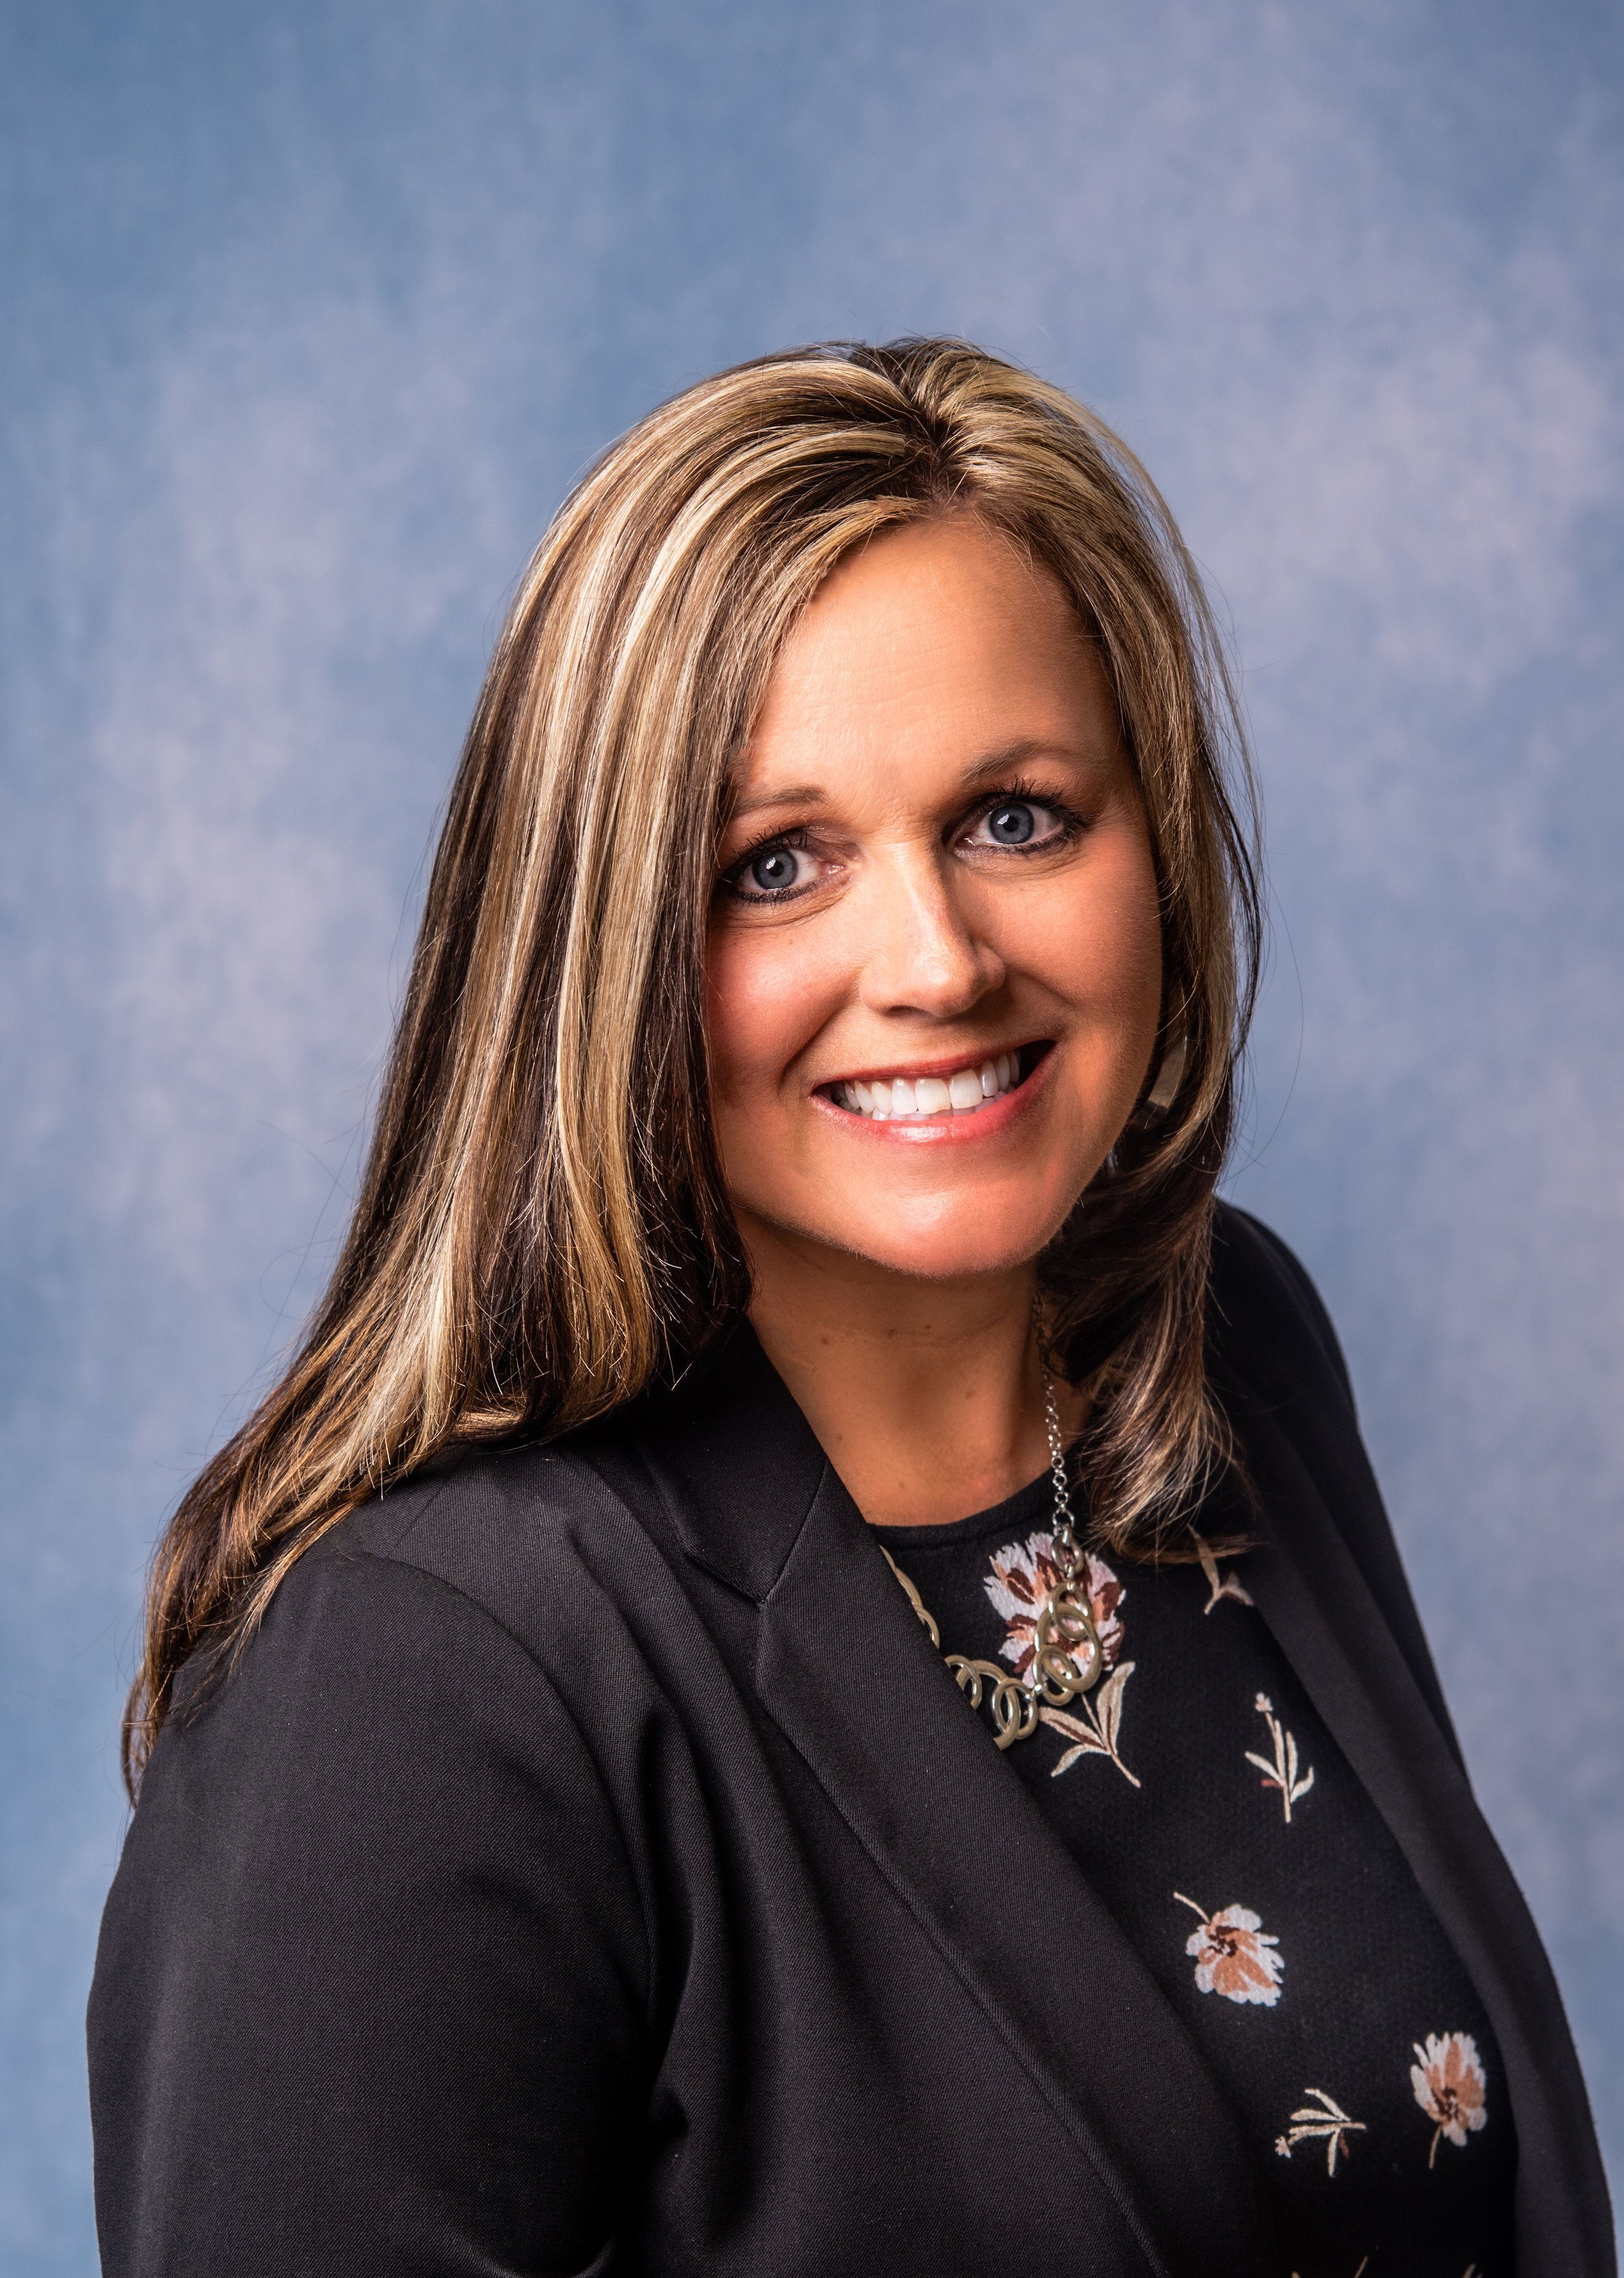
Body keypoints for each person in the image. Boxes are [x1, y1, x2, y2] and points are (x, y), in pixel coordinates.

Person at [88, 340, 1611, 2278]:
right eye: (777, 864)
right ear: (600, 945)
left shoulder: (1233, 1341)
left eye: (1015, 816)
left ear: (1155, 840)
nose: (936, 962)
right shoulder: (425, 1677)